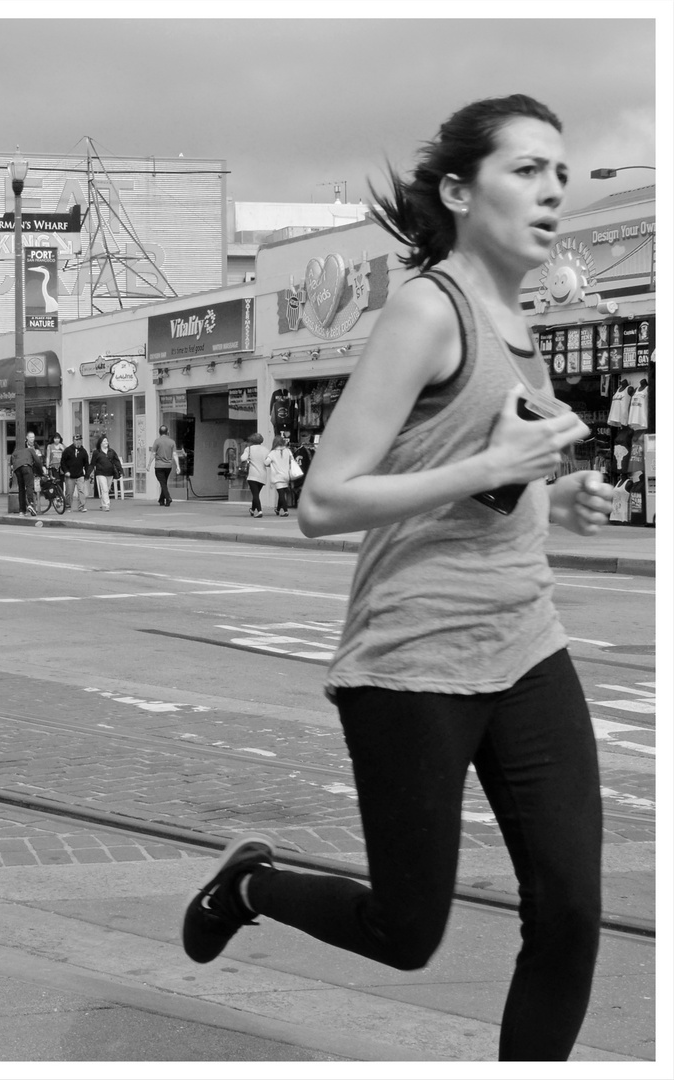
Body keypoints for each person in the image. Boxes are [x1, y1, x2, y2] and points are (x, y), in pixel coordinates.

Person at [180, 95, 610, 1063]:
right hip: (410, 662)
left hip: (525, 647)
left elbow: (481, 472)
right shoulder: (426, 308)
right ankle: (246, 884)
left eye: (559, 174)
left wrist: (558, 491)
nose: (550, 192)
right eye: (525, 170)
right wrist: (491, 471)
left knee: (571, 908)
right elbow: (324, 501)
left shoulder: (517, 318)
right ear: (458, 191)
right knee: (405, 934)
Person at [9, 431, 40, 516]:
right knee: (29, 486)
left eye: (33, 437)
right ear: (26, 438)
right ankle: (31, 504)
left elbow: (39, 456)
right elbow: (37, 460)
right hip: (26, 467)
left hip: (19, 468)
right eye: (30, 437)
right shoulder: (25, 447)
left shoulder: (35, 446)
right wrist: (41, 470)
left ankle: (22, 510)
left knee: (21, 489)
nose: (32, 439)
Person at [265, 434, 296, 516]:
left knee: (281, 494)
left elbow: (266, 462)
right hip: (286, 475)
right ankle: (278, 509)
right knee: (281, 493)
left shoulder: (272, 453)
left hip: (277, 476)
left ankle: (286, 511)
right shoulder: (288, 451)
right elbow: (292, 460)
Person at [240, 431, 269, 517]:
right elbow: (267, 462)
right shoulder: (266, 450)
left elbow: (243, 458)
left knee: (255, 494)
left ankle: (259, 511)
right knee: (256, 493)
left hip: (253, 475)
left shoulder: (248, 449)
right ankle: (252, 509)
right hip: (263, 475)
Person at [60, 432, 91, 512]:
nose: (78, 442)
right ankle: (68, 506)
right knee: (69, 492)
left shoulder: (83, 451)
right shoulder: (67, 450)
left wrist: (87, 474)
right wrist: (66, 471)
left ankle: (81, 506)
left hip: (80, 474)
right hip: (70, 475)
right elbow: (63, 462)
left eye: (80, 440)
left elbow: (86, 463)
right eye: (77, 440)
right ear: (73, 440)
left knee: (81, 491)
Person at [89, 436, 119, 511]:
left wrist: (120, 471)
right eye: (104, 441)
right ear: (100, 443)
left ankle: (103, 503)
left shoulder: (111, 451)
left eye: (107, 441)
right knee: (104, 488)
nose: (106, 443)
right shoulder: (96, 452)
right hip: (100, 473)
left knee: (106, 489)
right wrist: (88, 473)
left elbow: (116, 461)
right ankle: (106, 505)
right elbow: (92, 463)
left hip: (110, 473)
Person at [152, 426, 178, 506]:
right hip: (168, 466)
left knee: (162, 483)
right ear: (168, 432)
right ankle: (161, 500)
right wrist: (178, 466)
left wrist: (149, 464)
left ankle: (168, 498)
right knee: (164, 482)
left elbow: (153, 454)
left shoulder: (157, 441)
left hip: (159, 466)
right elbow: (174, 454)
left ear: (159, 432)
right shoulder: (172, 442)